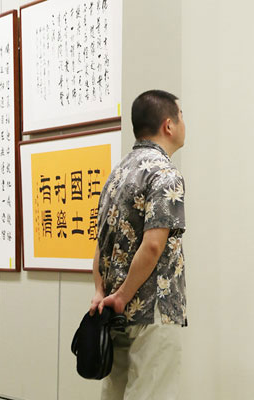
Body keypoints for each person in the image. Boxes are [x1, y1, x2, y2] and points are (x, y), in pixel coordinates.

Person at [89, 89, 187, 400]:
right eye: (181, 117)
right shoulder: (166, 174)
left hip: (114, 312)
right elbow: (153, 246)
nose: (185, 124)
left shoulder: (116, 173)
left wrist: (102, 293)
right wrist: (123, 295)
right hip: (153, 309)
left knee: (115, 394)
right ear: (168, 125)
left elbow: (100, 243)